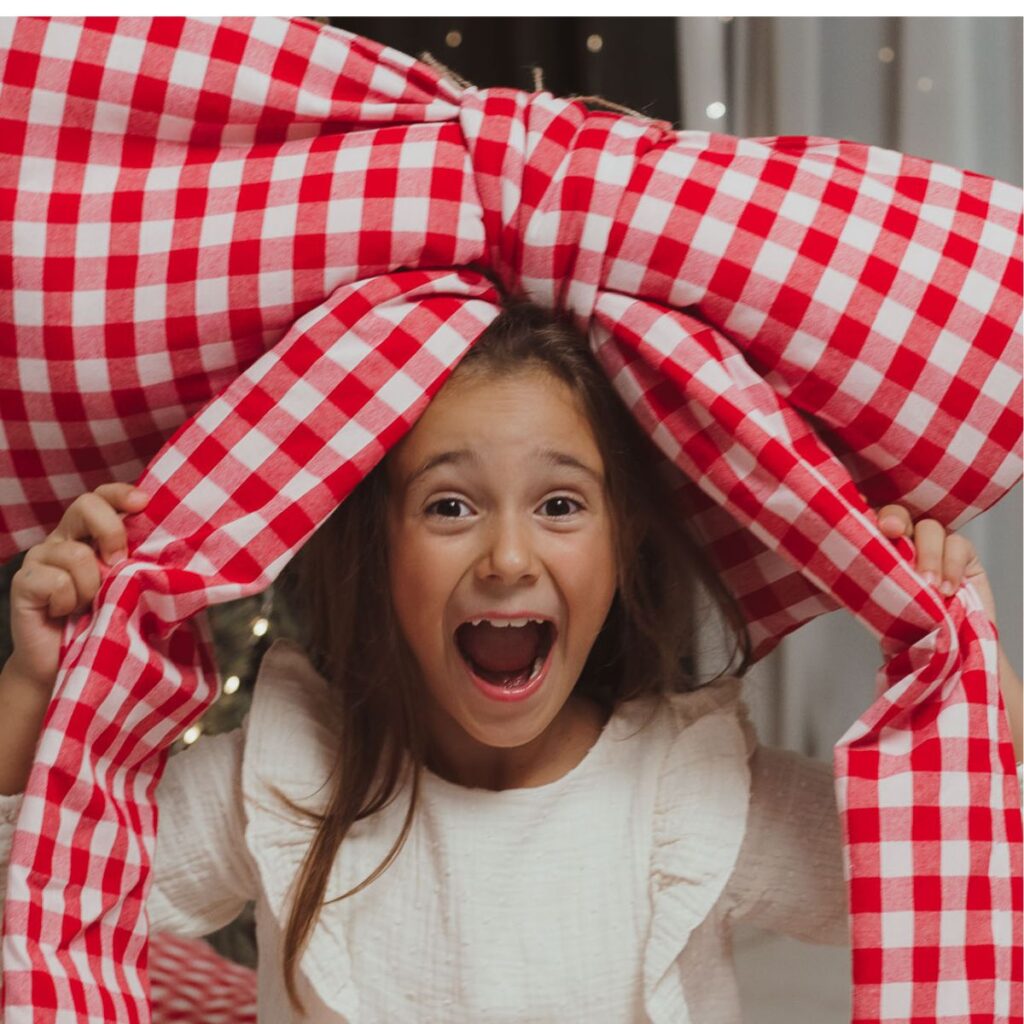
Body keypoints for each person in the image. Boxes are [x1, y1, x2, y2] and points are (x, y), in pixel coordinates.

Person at [0, 300, 1020, 1022]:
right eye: (448, 504)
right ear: (379, 549)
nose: (506, 555)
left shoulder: (693, 795)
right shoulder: (282, 781)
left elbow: (978, 875)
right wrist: (34, 686)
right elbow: (31, 896)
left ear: (622, 548)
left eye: (561, 504)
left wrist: (976, 677)